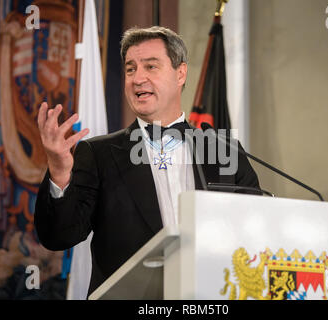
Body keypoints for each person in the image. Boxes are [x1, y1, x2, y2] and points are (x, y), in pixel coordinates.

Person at [34, 26, 260, 297]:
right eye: (130, 69)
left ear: (180, 73)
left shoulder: (226, 152)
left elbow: (254, 234)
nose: (137, 78)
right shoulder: (98, 154)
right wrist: (59, 172)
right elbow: (60, 236)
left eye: (151, 67)